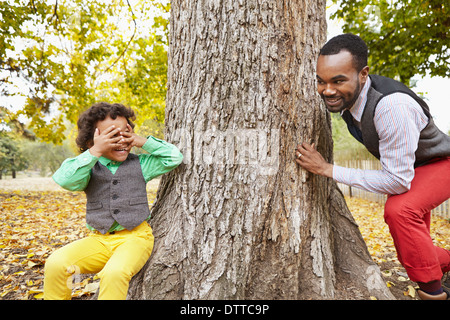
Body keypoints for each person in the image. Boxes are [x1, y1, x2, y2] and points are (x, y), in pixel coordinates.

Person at [295, 33, 450, 300]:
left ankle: (434, 294)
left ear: (363, 74)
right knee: (410, 248)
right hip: (414, 166)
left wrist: (327, 169)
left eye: (338, 80)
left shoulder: (391, 106)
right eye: (321, 81)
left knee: (400, 210)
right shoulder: (350, 100)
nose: (327, 90)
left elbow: (397, 181)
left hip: (440, 163)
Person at [44, 102, 183, 300]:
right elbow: (64, 179)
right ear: (92, 141)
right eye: (111, 135)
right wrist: (94, 153)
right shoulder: (88, 167)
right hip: (98, 240)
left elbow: (174, 157)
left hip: (135, 238)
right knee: (56, 263)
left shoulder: (140, 165)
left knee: (114, 273)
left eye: (125, 133)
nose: (121, 140)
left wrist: (141, 141)